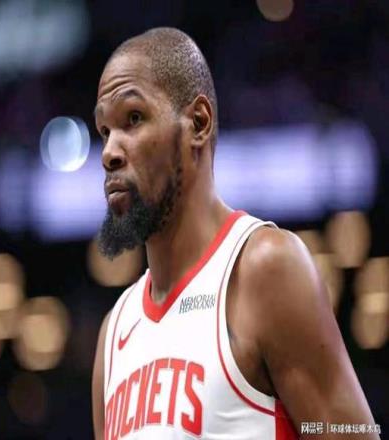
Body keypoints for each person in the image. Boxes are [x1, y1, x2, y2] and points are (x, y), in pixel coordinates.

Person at [91, 27, 379, 440]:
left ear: (198, 122)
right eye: (105, 131)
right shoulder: (113, 335)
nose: (109, 152)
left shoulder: (264, 269)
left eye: (133, 119)